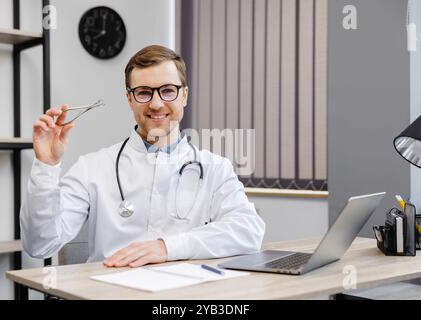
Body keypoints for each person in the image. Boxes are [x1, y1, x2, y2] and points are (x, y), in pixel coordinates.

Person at [20, 45, 265, 268]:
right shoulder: (92, 168)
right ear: (129, 98)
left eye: (168, 91)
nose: (156, 104)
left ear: (185, 96)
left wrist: (166, 247)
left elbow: (248, 231)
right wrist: (46, 166)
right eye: (144, 92)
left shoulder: (215, 168)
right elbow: (40, 245)